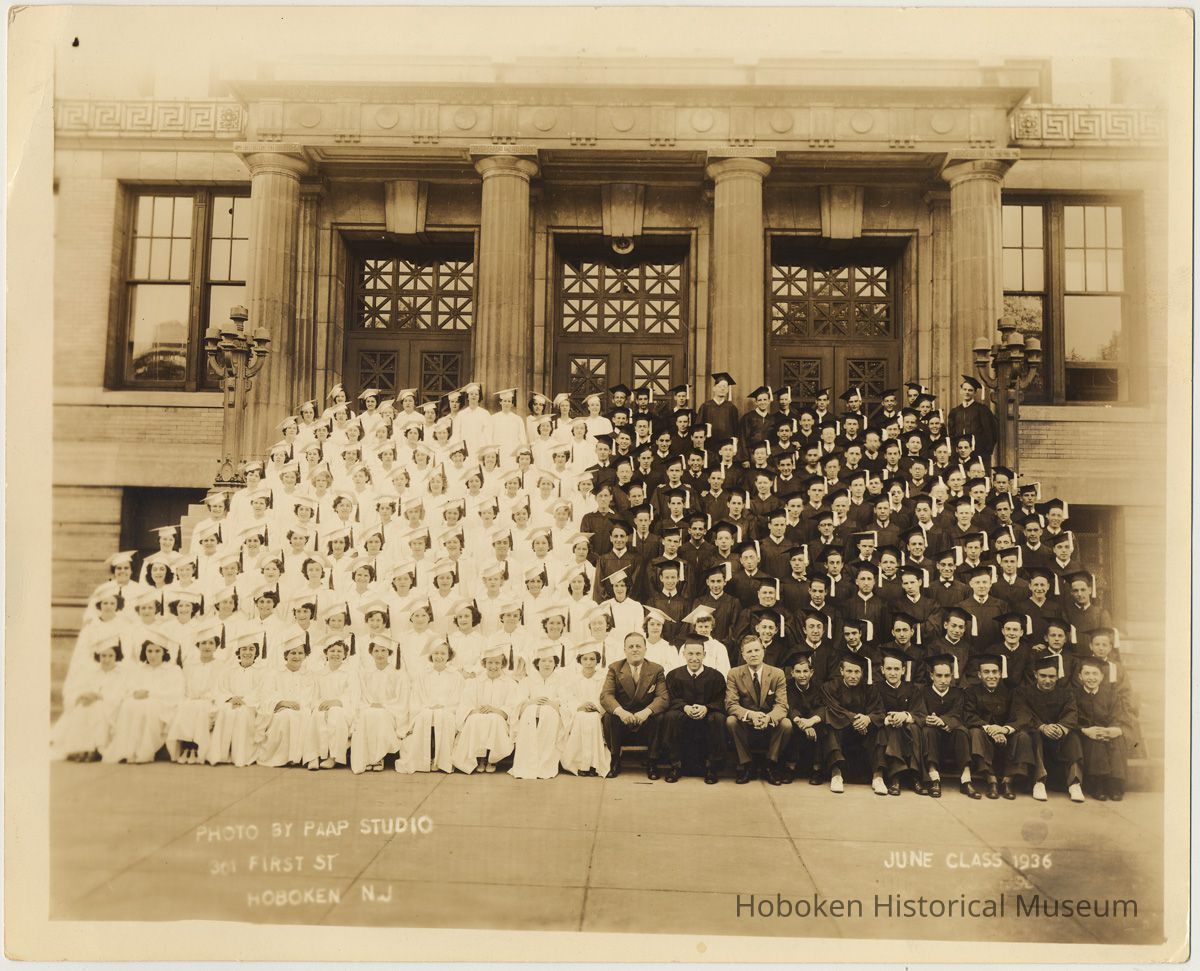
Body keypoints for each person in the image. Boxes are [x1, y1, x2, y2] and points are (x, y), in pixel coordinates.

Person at [1008, 656, 1085, 802]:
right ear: (1035, 675)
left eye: (1052, 676)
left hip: (1058, 738)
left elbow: (1071, 713)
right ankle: (1039, 781)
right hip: (1036, 737)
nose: (1047, 680)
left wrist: (1062, 728)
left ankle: (1074, 783)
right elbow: (1022, 715)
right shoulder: (1022, 692)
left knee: (1073, 737)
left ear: (1057, 677)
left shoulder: (1066, 693)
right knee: (1035, 735)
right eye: (1043, 676)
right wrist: (1042, 727)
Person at [102, 629, 184, 764]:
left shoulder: (173, 670)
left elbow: (175, 693)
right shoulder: (139, 670)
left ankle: (144, 752)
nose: (153, 655)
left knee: (148, 706)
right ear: (144, 652)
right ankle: (126, 751)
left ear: (164, 652)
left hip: (163, 704)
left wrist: (150, 694)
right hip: (139, 701)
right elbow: (129, 688)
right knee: (128, 705)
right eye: (149, 651)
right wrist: (134, 693)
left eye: (157, 651)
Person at [599, 631, 669, 778]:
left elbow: (662, 698)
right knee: (610, 716)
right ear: (625, 650)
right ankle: (615, 760)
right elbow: (606, 695)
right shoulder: (615, 668)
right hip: (623, 721)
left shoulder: (656, 669)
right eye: (631, 646)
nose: (635, 649)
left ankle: (652, 762)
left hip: (646, 721)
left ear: (645, 649)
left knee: (659, 716)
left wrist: (646, 711)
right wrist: (621, 712)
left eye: (638, 646)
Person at [724, 634, 792, 785]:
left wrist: (768, 718)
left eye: (756, 650)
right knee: (731, 721)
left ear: (763, 651)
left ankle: (771, 765)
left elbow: (782, 705)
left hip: (768, 721)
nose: (753, 654)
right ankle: (746, 765)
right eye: (749, 652)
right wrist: (751, 715)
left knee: (786, 724)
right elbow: (731, 704)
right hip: (747, 722)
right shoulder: (734, 674)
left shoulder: (777, 673)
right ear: (743, 655)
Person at [51, 635, 126, 762]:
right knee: (82, 708)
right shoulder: (92, 673)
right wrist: (83, 695)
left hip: (109, 709)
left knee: (97, 708)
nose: (106, 660)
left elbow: (120, 695)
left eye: (110, 656)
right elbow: (81, 688)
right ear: (99, 656)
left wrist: (100, 696)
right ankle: (79, 749)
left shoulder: (121, 674)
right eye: (103, 656)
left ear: (116, 657)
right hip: (90, 704)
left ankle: (95, 749)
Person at [662, 638, 727, 783]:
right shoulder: (673, 676)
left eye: (698, 654)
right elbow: (670, 698)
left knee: (717, 718)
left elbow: (721, 700)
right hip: (682, 712)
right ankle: (675, 765)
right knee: (671, 717)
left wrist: (706, 708)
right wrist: (685, 707)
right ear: (684, 654)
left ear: (704, 654)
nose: (694, 658)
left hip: (707, 714)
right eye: (690, 654)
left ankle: (712, 767)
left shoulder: (716, 676)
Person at [453, 643, 524, 773]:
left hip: (499, 717)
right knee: (474, 719)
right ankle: (480, 758)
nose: (493, 666)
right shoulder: (475, 682)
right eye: (490, 662)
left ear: (502, 664)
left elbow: (512, 706)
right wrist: (475, 711)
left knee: (494, 719)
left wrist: (496, 710)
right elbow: (466, 702)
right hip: (478, 714)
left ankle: (492, 759)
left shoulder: (510, 683)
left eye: (497, 663)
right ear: (484, 664)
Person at [820, 650, 884, 794]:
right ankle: (836, 775)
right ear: (841, 671)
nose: (853, 676)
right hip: (841, 731)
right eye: (849, 671)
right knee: (830, 724)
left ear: (862, 673)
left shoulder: (870, 688)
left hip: (864, 735)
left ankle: (878, 777)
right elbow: (834, 709)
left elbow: (879, 712)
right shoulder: (830, 687)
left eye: (857, 672)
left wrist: (868, 719)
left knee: (880, 729)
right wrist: (857, 719)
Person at [396, 639, 464, 774]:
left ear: (449, 655)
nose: (439, 657)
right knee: (426, 717)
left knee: (443, 717)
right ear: (431, 655)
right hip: (425, 709)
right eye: (436, 653)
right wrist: (428, 707)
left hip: (448, 711)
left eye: (443, 653)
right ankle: (425, 761)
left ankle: (441, 761)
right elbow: (417, 697)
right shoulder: (422, 674)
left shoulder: (456, 675)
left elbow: (458, 698)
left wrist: (444, 707)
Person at [1073, 656, 1133, 801]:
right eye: (1087, 674)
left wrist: (1112, 730)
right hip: (1084, 736)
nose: (1091, 678)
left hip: (1107, 733)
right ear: (1080, 676)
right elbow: (1070, 719)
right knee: (1096, 742)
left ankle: (1115, 785)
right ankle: (1097, 785)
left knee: (1118, 738)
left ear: (1102, 677)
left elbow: (1118, 716)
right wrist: (1086, 730)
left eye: (1095, 674)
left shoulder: (1111, 695)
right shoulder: (1074, 695)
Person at [917, 653, 975, 798]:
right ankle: (934, 777)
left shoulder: (958, 693)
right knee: (929, 731)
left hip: (952, 736)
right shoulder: (923, 692)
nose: (943, 680)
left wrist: (942, 721)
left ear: (951, 676)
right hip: (931, 737)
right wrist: (931, 720)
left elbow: (959, 714)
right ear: (931, 676)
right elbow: (920, 713)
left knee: (962, 731)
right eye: (939, 676)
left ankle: (966, 778)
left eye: (947, 676)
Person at [509, 644, 568, 779]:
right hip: (530, 717)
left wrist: (553, 704)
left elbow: (565, 700)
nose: (547, 664)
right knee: (530, 712)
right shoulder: (527, 680)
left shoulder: (560, 681)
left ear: (555, 664)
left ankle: (545, 766)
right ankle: (527, 766)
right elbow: (519, 701)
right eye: (543, 661)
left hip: (552, 716)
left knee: (548, 713)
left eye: (550, 661)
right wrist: (531, 702)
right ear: (537, 663)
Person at [873, 646, 926, 796]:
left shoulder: (913, 689)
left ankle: (915, 777)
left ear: (903, 670)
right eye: (888, 668)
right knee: (893, 729)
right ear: (882, 670)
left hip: (909, 732)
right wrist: (888, 719)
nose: (893, 673)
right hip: (886, 730)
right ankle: (895, 777)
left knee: (914, 728)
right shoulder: (876, 689)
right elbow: (873, 712)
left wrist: (905, 715)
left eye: (896, 669)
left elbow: (921, 714)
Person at [208, 633, 267, 767]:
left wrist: (244, 700)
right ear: (238, 652)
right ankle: (221, 755)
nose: (247, 652)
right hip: (230, 703)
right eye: (244, 649)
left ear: (256, 652)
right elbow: (220, 689)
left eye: (251, 649)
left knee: (242, 714)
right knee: (225, 711)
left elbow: (262, 692)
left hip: (251, 706)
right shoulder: (229, 670)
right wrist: (230, 698)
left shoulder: (261, 672)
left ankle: (240, 756)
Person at [964, 654, 1018, 799]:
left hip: (1005, 735)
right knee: (975, 732)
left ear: (1000, 674)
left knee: (1022, 736)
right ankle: (991, 780)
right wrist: (990, 729)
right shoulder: (971, 692)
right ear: (979, 675)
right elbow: (969, 716)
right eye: (986, 672)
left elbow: (1017, 717)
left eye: (995, 672)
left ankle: (1008, 781)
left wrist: (1004, 730)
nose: (991, 676)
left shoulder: (1010, 692)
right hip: (983, 733)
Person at [258, 635, 316, 768]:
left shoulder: (308, 675)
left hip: (301, 709)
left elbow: (309, 696)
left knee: (303, 716)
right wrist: (282, 703)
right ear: (286, 655)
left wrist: (296, 705)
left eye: (300, 653)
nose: (297, 656)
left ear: (305, 656)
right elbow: (267, 695)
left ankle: (298, 757)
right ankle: (281, 757)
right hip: (279, 709)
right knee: (285, 717)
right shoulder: (274, 674)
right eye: (293, 653)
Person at [352, 635, 406, 773]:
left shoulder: (398, 674)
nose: (380, 654)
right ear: (371, 653)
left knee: (380, 715)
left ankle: (378, 758)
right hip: (369, 707)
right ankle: (368, 758)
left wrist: (385, 706)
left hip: (391, 711)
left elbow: (401, 699)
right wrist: (369, 705)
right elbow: (361, 696)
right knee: (367, 715)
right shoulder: (365, 673)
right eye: (376, 651)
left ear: (389, 652)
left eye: (384, 651)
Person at [559, 644, 613, 777]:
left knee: (593, 718)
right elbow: (567, 698)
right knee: (582, 718)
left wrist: (595, 706)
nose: (589, 663)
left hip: (597, 712)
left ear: (597, 661)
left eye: (592, 659)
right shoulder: (573, 679)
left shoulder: (603, 678)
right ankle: (579, 764)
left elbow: (606, 696)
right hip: (578, 712)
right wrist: (580, 705)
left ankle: (594, 764)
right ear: (580, 660)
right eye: (585, 659)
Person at [306, 637, 358, 770]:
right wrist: (320, 704)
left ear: (345, 654)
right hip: (323, 706)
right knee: (317, 715)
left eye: (339, 651)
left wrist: (337, 702)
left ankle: (333, 756)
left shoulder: (350, 673)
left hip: (344, 708)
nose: (335, 654)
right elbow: (314, 695)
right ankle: (314, 756)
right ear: (326, 653)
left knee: (336, 714)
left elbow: (353, 694)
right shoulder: (319, 674)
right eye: (332, 650)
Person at [946, 376, 998, 461]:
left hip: (978, 452)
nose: (967, 392)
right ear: (961, 391)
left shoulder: (982, 409)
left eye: (970, 390)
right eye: (965, 389)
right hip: (959, 453)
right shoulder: (955, 411)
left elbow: (991, 432)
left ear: (975, 393)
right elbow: (951, 433)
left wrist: (986, 451)